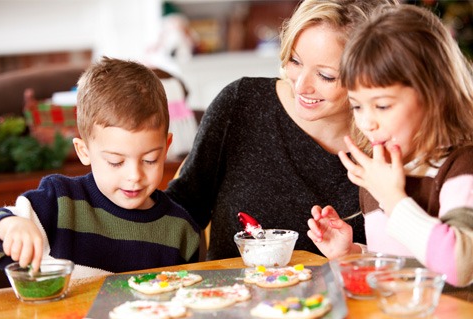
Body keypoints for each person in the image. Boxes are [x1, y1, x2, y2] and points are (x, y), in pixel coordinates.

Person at [166, 0, 398, 261]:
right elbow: (181, 209)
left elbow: (409, 257)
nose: (301, 86)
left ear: (372, 74)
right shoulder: (241, 104)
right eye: (295, 60)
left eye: (326, 76)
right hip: (234, 297)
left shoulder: (393, 141)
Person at [307, 5, 473, 288]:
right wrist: (352, 252)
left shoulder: (461, 167)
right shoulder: (380, 171)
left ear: (435, 98)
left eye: (382, 105)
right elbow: (401, 263)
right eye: (357, 106)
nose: (367, 122)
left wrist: (393, 198)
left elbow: (459, 267)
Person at [0, 57, 200, 278]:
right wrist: (9, 226)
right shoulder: (59, 202)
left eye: (149, 160)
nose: (134, 176)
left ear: (166, 148)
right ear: (84, 152)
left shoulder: (181, 230)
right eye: (116, 162)